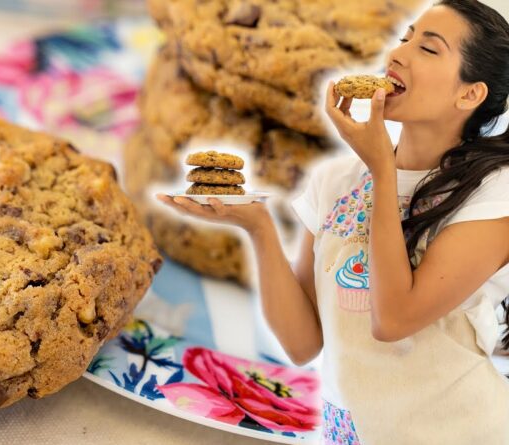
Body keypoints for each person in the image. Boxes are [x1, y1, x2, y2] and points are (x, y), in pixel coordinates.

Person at [156, 0, 509, 443]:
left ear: (470, 94)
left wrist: (382, 172)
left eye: (428, 48)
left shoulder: (493, 194)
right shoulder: (337, 180)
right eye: (405, 38)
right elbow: (303, 344)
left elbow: (393, 320)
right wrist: (259, 228)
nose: (398, 53)